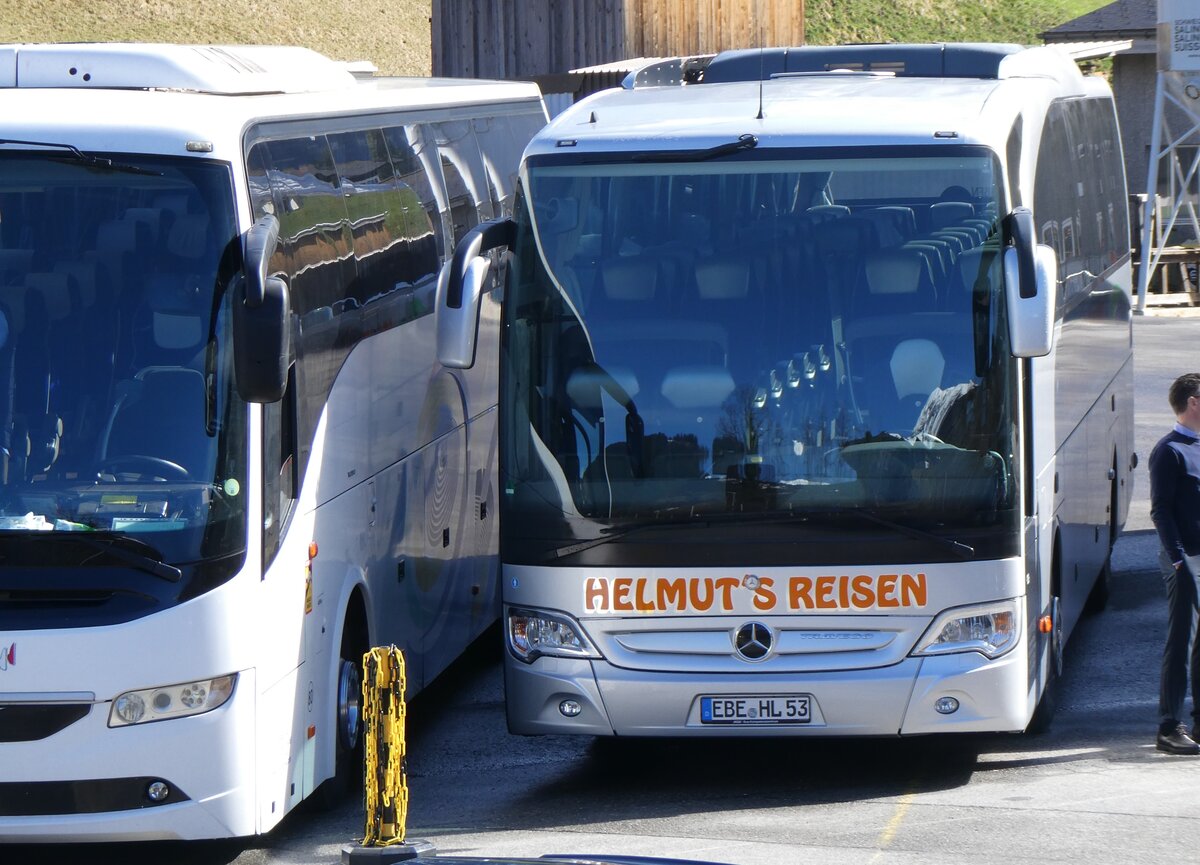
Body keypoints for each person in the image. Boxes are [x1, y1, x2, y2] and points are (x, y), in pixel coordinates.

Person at [1148, 372, 1200, 755]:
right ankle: (1169, 726)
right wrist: (1179, 560)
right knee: (1181, 640)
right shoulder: (1169, 451)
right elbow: (1160, 511)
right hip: (1184, 560)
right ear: (1194, 402)